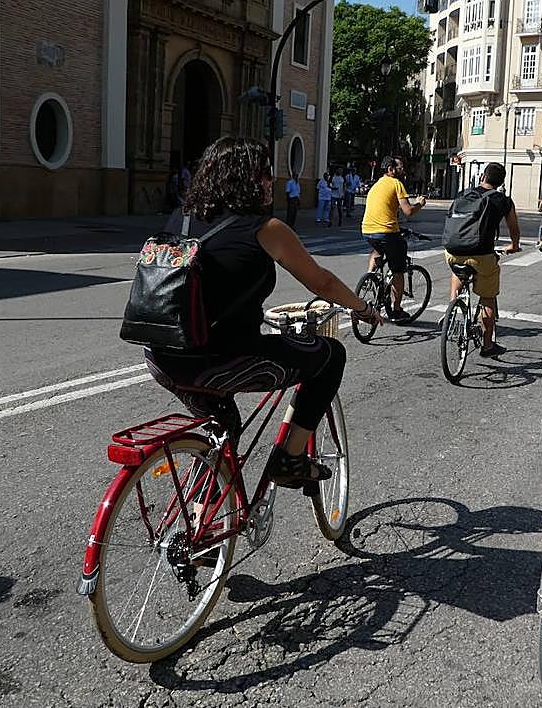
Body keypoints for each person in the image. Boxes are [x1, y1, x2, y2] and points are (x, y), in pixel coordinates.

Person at [143, 136, 379, 488]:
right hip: (221, 361)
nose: (272, 181)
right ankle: (291, 459)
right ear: (244, 179)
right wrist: (362, 308)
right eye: (265, 174)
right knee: (330, 357)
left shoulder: (181, 219)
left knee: (223, 430)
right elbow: (324, 284)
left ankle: (197, 522)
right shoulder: (266, 229)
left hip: (162, 358)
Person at [444, 163, 522, 357]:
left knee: (457, 272)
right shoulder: (503, 200)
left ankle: (453, 312)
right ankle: (488, 346)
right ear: (501, 182)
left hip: (452, 251)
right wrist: (514, 245)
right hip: (481, 254)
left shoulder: (464, 194)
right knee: (488, 297)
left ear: (482, 177)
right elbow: (514, 228)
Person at [362, 156, 426, 321]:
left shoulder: (376, 185)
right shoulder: (396, 184)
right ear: (391, 169)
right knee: (398, 271)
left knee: (377, 249)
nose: (402, 170)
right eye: (400, 167)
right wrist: (419, 203)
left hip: (367, 230)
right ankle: (396, 310)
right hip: (386, 232)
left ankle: (370, 277)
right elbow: (408, 211)